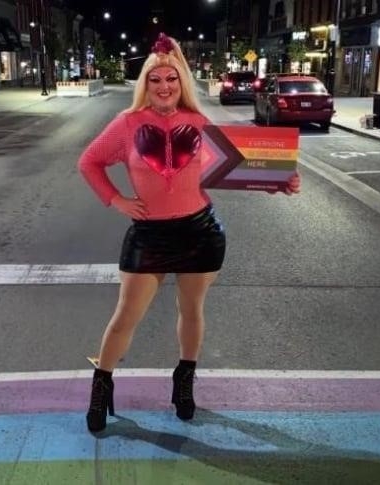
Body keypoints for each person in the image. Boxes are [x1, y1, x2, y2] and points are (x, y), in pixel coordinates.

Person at [77, 33, 300, 433]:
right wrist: (117, 200)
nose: (164, 87)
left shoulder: (200, 124)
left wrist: (278, 182)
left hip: (199, 231)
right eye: (156, 80)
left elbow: (239, 169)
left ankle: (183, 382)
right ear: (145, 84)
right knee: (125, 316)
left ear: (182, 83)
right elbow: (89, 163)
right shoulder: (126, 125)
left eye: (172, 79)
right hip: (149, 236)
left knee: (192, 311)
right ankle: (101, 385)